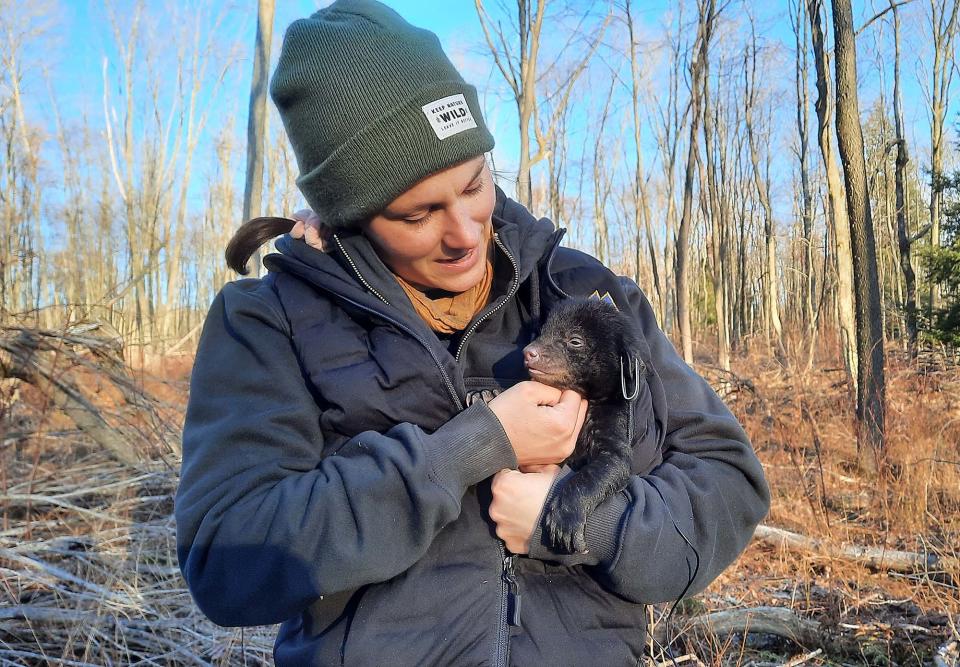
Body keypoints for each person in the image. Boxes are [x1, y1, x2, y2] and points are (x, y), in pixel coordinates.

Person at [174, 1, 770, 665]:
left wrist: (584, 521)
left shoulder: (583, 296)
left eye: (474, 182)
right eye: (417, 213)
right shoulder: (271, 321)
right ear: (351, 212)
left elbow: (728, 482)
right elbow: (226, 561)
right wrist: (467, 450)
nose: (464, 231)